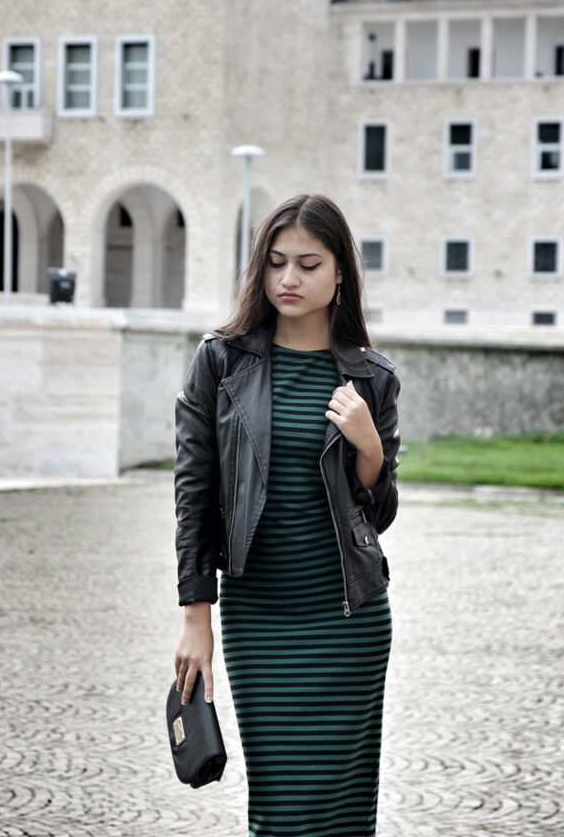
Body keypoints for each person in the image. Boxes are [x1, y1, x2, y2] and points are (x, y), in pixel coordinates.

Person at [173, 193, 400, 837]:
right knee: (279, 807)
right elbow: (194, 494)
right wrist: (196, 618)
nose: (289, 278)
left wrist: (369, 446)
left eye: (308, 263)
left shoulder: (373, 378)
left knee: (342, 814)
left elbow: (379, 514)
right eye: (276, 263)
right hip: (260, 616)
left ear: (340, 272)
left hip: (347, 618)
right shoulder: (221, 362)